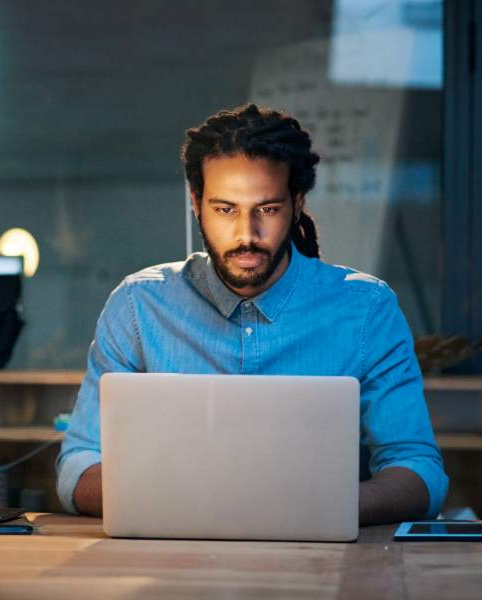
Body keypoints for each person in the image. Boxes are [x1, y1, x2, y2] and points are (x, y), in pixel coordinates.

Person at [56, 103, 448, 525]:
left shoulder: (367, 310)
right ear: (196, 202)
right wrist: (183, 499)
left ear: (297, 203)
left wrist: (328, 507)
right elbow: (78, 465)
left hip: (318, 565)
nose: (246, 234)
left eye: (267, 209)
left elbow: (419, 469)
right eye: (225, 209)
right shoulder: (138, 305)